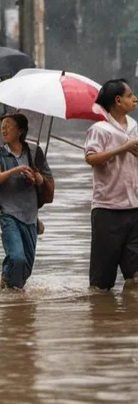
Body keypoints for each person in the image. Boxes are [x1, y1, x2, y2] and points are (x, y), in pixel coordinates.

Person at [84, 79, 138, 291]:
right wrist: (123, 148)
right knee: (101, 285)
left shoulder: (134, 127)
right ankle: (102, 321)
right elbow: (91, 159)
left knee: (135, 277)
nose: (135, 99)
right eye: (130, 95)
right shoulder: (100, 129)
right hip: (108, 210)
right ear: (118, 100)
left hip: (134, 208)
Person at [0, 113, 52, 290]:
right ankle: (14, 296)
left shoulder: (35, 152)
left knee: (27, 266)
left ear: (21, 131)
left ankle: (8, 280)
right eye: (2, 125)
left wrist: (35, 178)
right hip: (9, 214)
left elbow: (47, 181)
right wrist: (15, 170)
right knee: (17, 257)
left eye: (9, 125)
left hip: (31, 216)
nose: (4, 128)